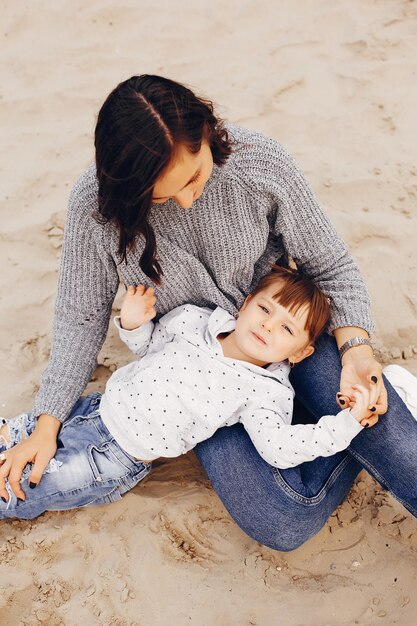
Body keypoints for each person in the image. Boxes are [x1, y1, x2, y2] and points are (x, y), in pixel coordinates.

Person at [0, 75, 415, 548]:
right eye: (162, 195)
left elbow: (332, 265)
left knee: (390, 434)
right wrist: (48, 423)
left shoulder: (258, 162)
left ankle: (348, 416)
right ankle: (331, 432)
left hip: (286, 333)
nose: (187, 199)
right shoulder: (96, 208)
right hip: (203, 386)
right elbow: (80, 318)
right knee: (282, 522)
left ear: (206, 132)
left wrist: (357, 350)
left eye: (195, 175)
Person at [0, 266, 377, 519]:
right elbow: (148, 347)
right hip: (93, 409)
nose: (267, 325)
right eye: (264, 308)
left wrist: (346, 424)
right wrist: (132, 322)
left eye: (287, 329)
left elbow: (279, 447)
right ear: (245, 304)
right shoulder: (196, 321)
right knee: (12, 436)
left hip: (114, 458)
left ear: (299, 353)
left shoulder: (265, 392)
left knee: (21, 486)